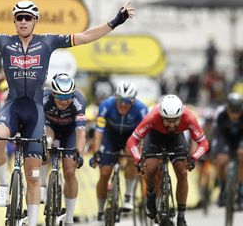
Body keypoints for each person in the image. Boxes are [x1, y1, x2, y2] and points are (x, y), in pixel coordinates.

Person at [0, 0, 135, 225]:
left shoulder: (48, 41)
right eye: (19, 18)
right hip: (13, 106)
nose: (23, 22)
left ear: (35, 21)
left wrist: (116, 21)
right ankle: (3, 185)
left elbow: (85, 37)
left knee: (33, 176)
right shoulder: (3, 41)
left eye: (28, 18)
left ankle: (32, 222)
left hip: (35, 110)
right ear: (14, 21)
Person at [126, 94, 209, 226]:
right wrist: (138, 158)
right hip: (154, 137)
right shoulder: (152, 117)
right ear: (161, 116)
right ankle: (151, 194)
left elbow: (203, 143)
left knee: (182, 172)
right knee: (151, 167)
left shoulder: (189, 117)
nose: (171, 124)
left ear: (181, 116)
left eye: (175, 120)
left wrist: (193, 158)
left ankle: (181, 216)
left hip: (176, 139)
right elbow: (132, 140)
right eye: (168, 120)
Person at [89, 81, 148, 226]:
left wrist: (141, 155)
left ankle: (128, 195)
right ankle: (100, 212)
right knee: (104, 174)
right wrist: (96, 152)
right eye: (120, 100)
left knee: (132, 155)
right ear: (116, 98)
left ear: (133, 101)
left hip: (130, 138)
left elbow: (144, 136)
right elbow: (98, 132)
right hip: (110, 138)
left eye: (127, 102)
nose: (122, 105)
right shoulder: (106, 106)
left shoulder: (141, 110)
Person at [40, 73, 86, 226]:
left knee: (70, 170)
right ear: (53, 93)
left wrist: (78, 152)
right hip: (50, 127)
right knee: (45, 143)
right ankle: (41, 185)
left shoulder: (79, 101)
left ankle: (69, 217)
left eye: (68, 97)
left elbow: (81, 132)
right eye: (59, 97)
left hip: (70, 131)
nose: (64, 101)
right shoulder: (44, 98)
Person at [210, 92, 243, 208]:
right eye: (232, 112)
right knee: (221, 160)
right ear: (227, 109)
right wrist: (219, 151)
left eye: (238, 112)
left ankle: (240, 191)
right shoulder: (221, 114)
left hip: (240, 137)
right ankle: (223, 188)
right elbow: (218, 135)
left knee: (241, 156)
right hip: (225, 137)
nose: (235, 115)